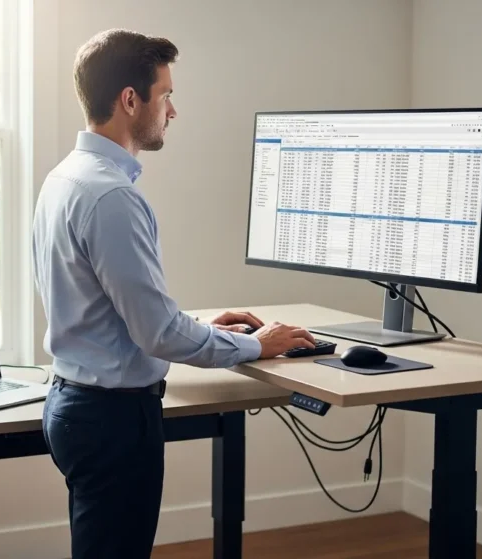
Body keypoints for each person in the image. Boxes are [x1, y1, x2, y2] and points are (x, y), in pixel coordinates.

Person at [31, 28, 317, 559]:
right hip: (112, 420)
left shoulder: (65, 178)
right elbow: (157, 332)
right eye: (166, 94)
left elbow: (110, 308)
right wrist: (260, 344)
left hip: (74, 404)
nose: (173, 110)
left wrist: (209, 331)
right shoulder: (112, 196)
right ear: (130, 100)